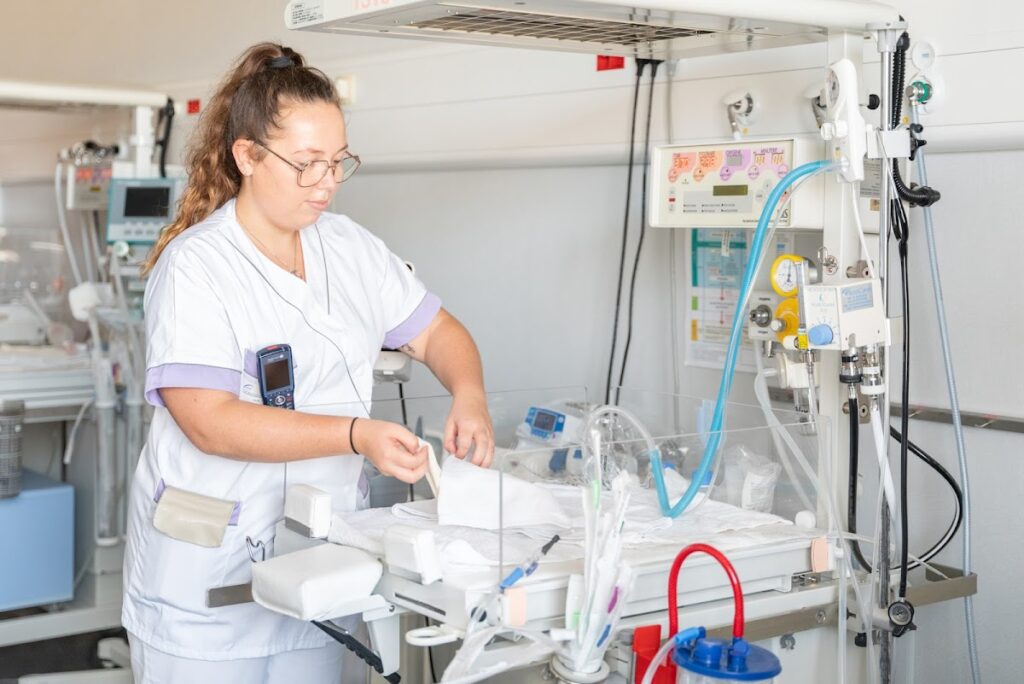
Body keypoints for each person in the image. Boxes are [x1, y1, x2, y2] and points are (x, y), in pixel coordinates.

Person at [122, 42, 494, 683]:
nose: (326, 183)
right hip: (206, 582)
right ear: (247, 155)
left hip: (318, 565)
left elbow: (438, 332)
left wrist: (470, 396)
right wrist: (355, 434)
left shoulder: (349, 248)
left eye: (338, 162)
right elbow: (210, 421)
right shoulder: (198, 267)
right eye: (307, 165)